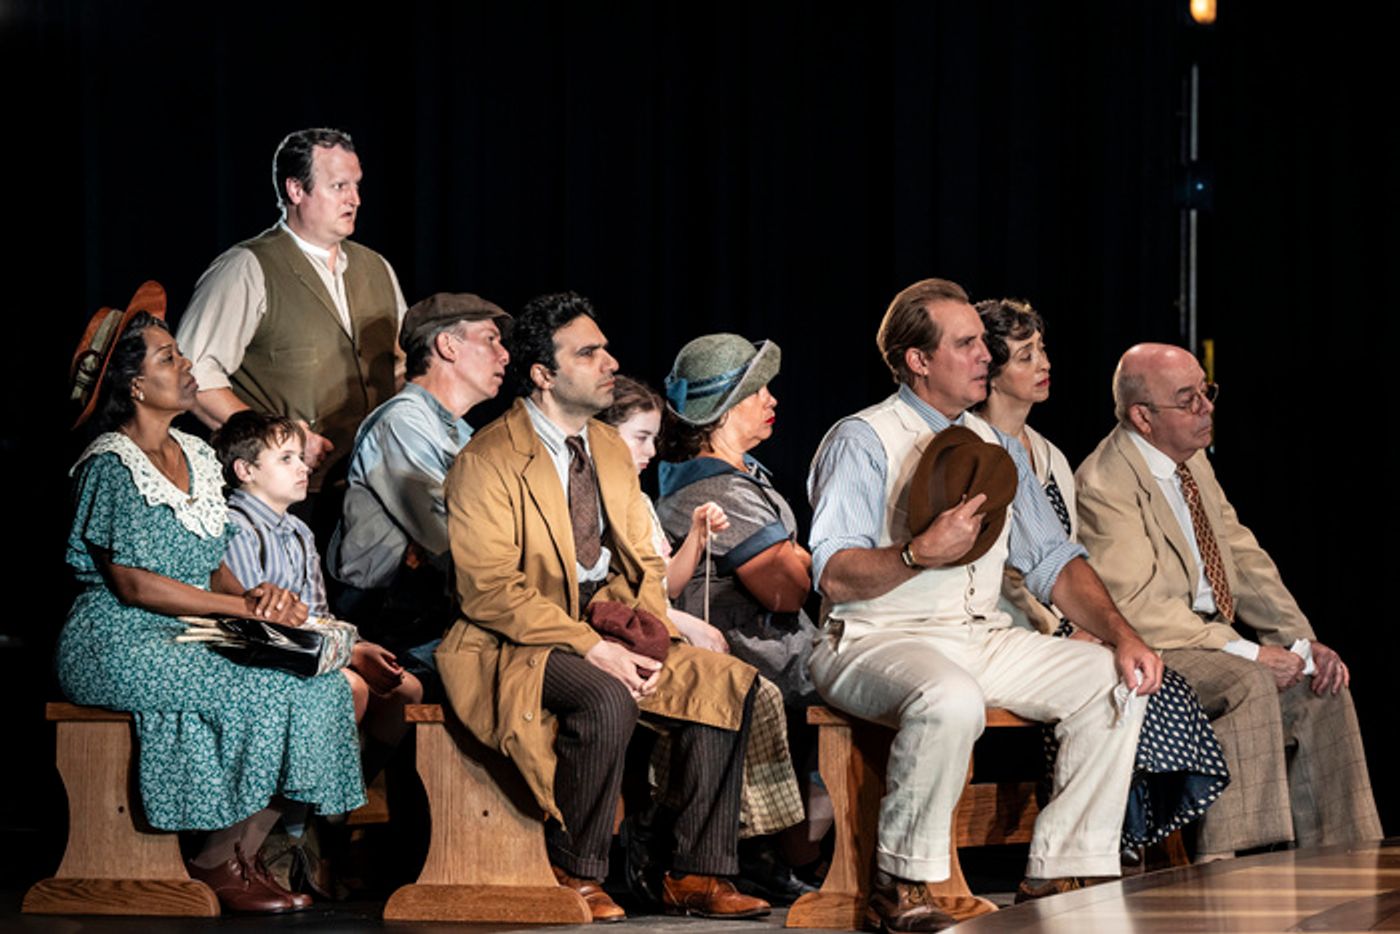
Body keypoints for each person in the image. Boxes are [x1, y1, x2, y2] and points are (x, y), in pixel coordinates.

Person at [807, 277, 1162, 932]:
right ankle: (900, 886)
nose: (985, 356)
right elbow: (833, 575)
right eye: (966, 344)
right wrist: (916, 553)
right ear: (918, 360)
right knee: (950, 697)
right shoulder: (863, 438)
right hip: (874, 638)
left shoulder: (994, 443)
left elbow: (1054, 561)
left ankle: (1061, 868)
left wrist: (1123, 635)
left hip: (975, 636)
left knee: (1112, 678)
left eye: (982, 343)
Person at [435, 292, 771, 922]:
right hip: (516, 639)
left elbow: (640, 560)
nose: (610, 362)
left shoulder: (609, 448)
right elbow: (490, 590)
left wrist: (644, 640)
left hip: (606, 623)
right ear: (543, 374)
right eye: (588, 353)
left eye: (605, 349)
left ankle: (696, 872)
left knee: (728, 681)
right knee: (605, 695)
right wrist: (595, 649)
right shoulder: (488, 458)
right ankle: (576, 870)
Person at [60, 283, 365, 914]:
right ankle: (213, 860)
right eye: (168, 357)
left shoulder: (198, 452)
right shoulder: (110, 464)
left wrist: (255, 594)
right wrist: (240, 608)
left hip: (189, 630)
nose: (186, 364)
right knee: (268, 690)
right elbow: (133, 583)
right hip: (118, 639)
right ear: (136, 386)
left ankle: (244, 854)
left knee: (325, 689)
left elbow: (212, 557)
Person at [1074, 342, 1382, 859]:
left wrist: (1300, 641)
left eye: (1207, 392)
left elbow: (1243, 557)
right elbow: (1139, 607)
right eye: (1187, 399)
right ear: (1143, 417)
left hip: (1208, 636)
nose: (1206, 408)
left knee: (1321, 686)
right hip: (1155, 644)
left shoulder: (1192, 463)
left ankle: (1346, 860)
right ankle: (1235, 865)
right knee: (1247, 681)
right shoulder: (1105, 482)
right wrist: (1252, 652)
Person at [974, 299, 1228, 860]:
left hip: (1061, 621)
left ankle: (1122, 828)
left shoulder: (1048, 454)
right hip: (1007, 624)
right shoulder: (975, 448)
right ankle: (1108, 833)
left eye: (1042, 350)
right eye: (1025, 356)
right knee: (1112, 679)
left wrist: (1086, 626)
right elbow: (1006, 574)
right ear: (990, 373)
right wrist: (1062, 630)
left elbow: (1065, 556)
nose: (1044, 364)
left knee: (1150, 681)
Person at [600, 376, 809, 904]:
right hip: (622, 637)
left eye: (653, 438)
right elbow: (789, 587)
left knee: (734, 687)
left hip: (663, 629)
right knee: (739, 687)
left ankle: (717, 862)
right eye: (640, 438)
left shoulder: (642, 499)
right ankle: (703, 849)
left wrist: (696, 537)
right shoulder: (699, 485)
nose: (652, 452)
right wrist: (682, 623)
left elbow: (662, 584)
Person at [174, 127, 407, 506]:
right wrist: (277, 439)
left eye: (356, 185)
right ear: (296, 190)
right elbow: (193, 377)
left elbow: (401, 366)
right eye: (339, 186)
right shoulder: (247, 268)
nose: (355, 199)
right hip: (288, 501)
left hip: (374, 488)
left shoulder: (376, 267)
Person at [213, 410, 424, 770]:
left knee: (407, 690)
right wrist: (347, 653)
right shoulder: (237, 526)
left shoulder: (298, 531)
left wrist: (354, 645)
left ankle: (355, 782)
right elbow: (255, 623)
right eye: (286, 459)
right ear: (245, 470)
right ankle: (307, 794)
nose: (303, 468)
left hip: (306, 645)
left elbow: (317, 613)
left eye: (300, 457)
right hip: (257, 655)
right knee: (349, 687)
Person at [326, 293, 513, 693]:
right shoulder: (402, 422)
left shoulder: (462, 434)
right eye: (490, 340)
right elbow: (451, 536)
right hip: (393, 631)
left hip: (435, 616)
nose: (505, 356)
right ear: (447, 346)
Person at [656, 334, 819, 708]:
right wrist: (799, 556)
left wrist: (792, 553)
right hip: (760, 676)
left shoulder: (737, 473)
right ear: (724, 409)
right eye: (757, 390)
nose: (771, 400)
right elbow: (788, 593)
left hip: (787, 662)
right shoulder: (717, 490)